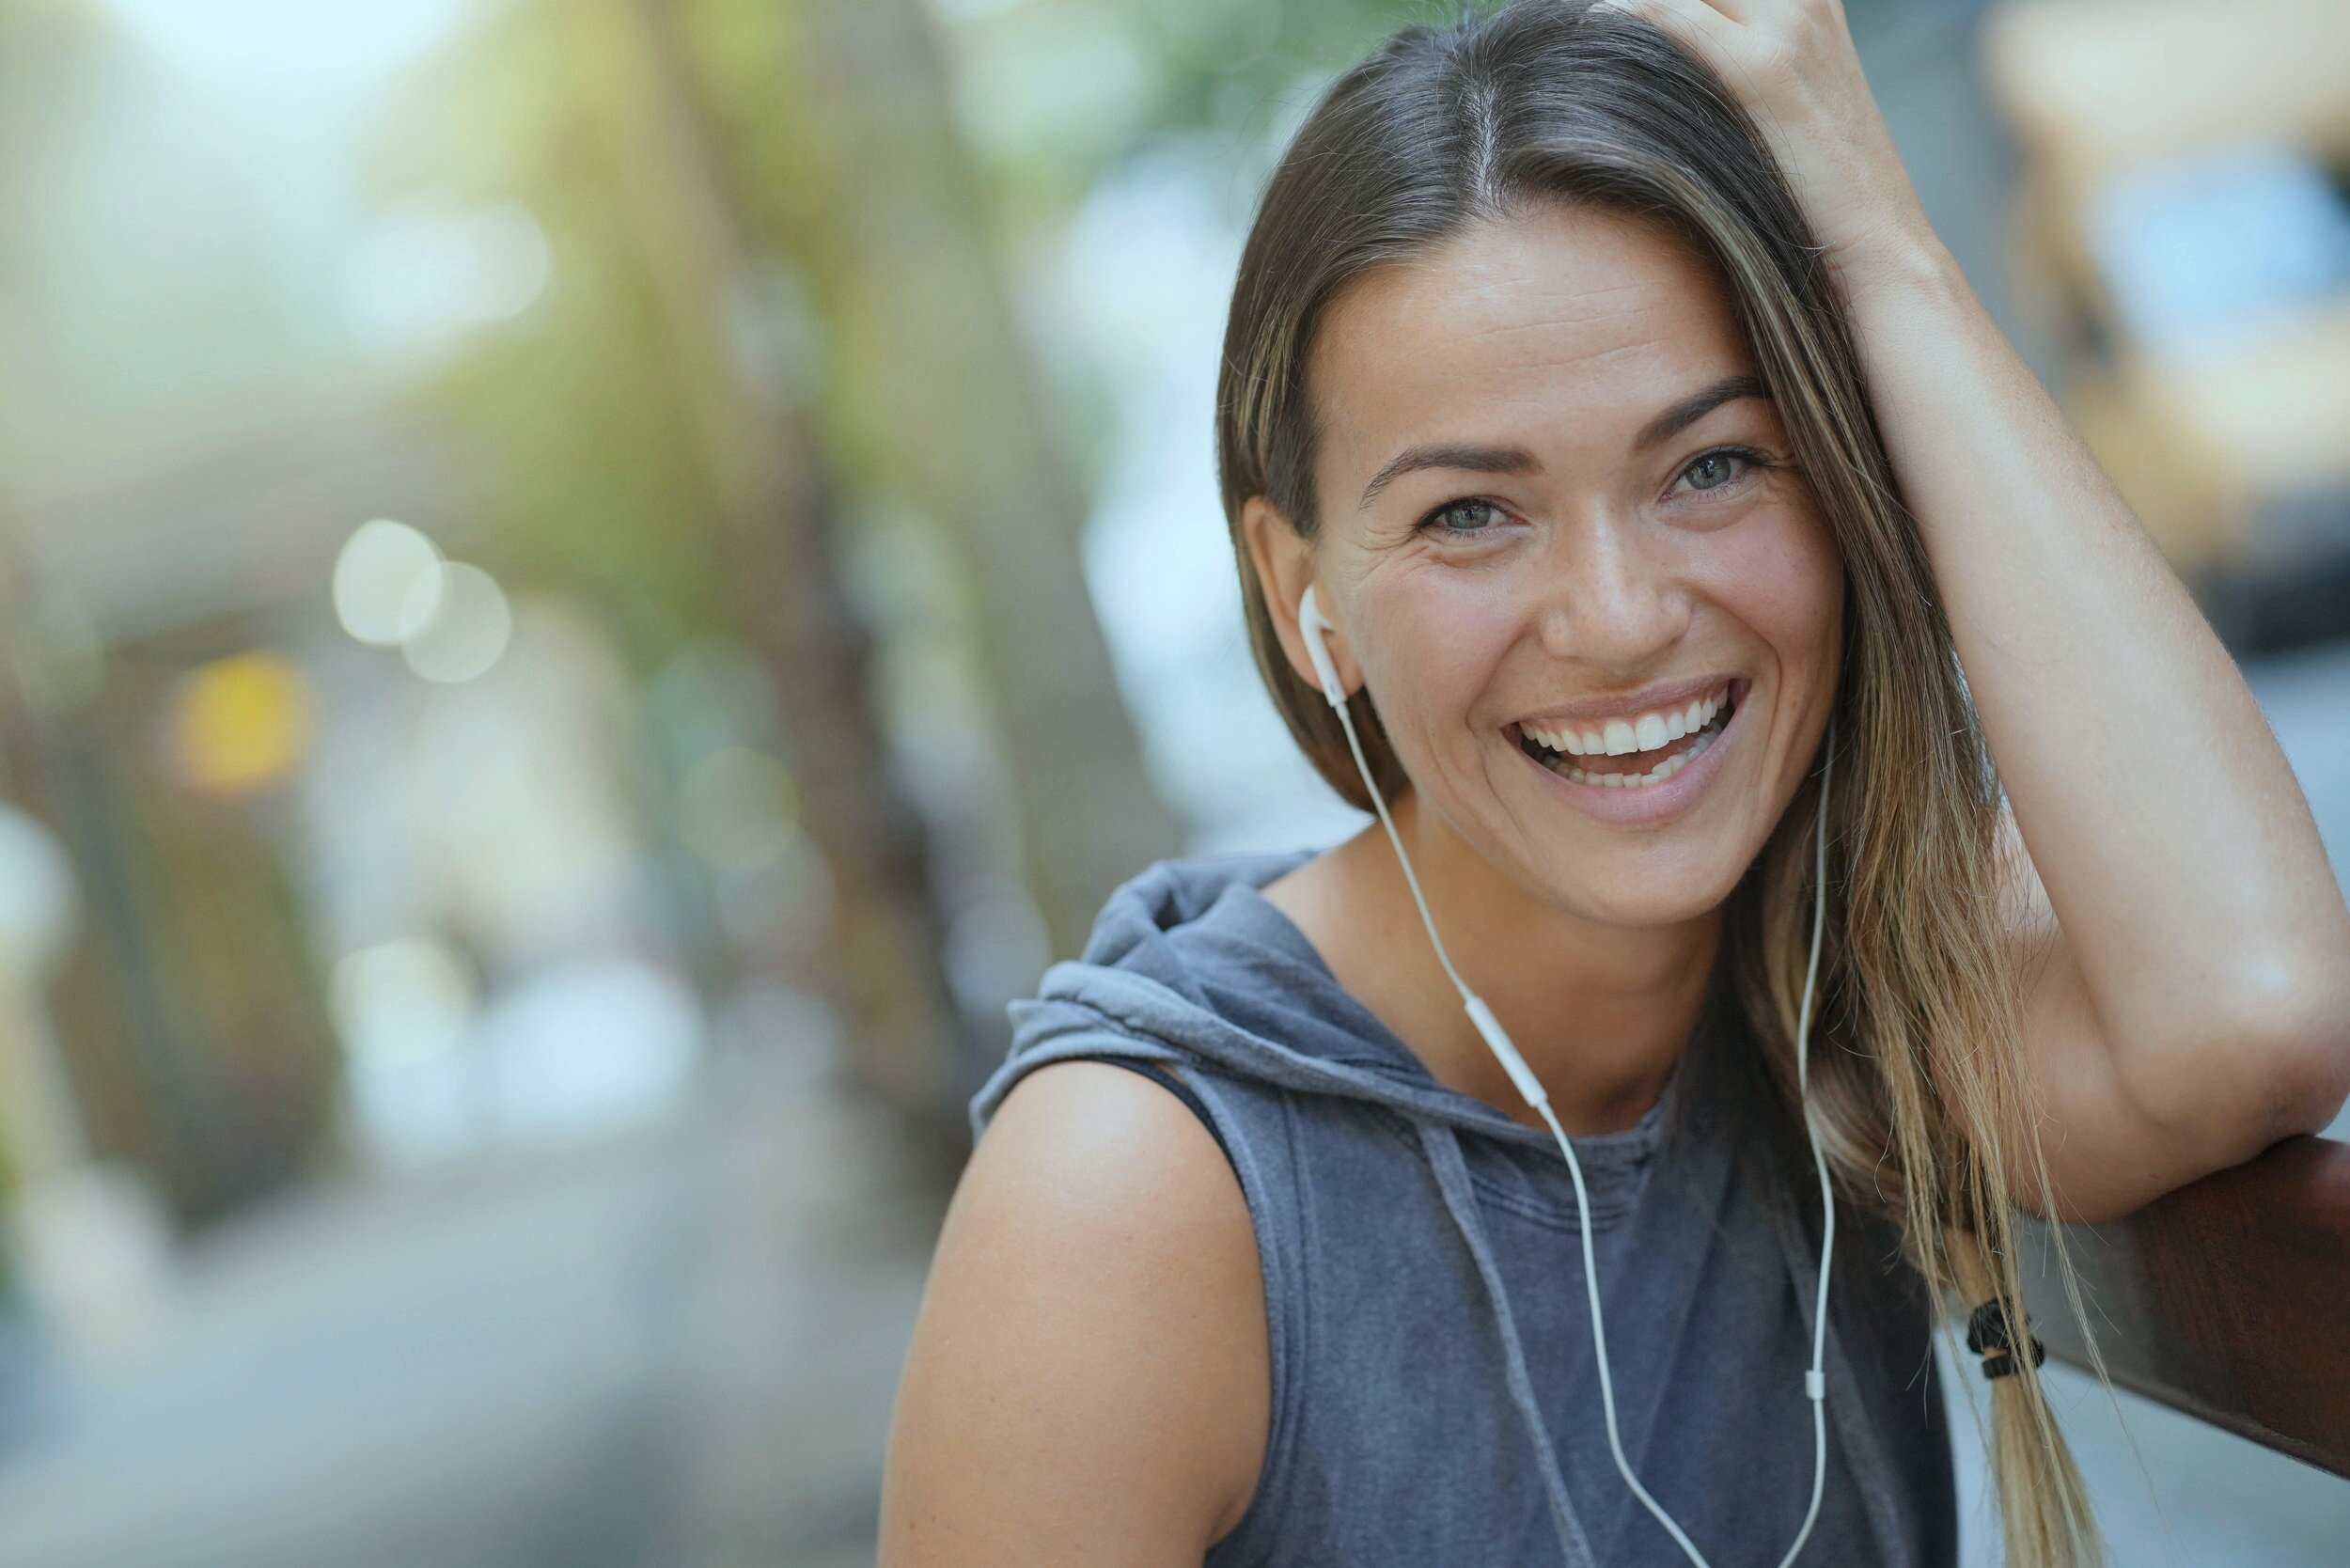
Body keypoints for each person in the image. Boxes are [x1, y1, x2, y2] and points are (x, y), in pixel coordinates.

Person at [876, 3, 2350, 1564]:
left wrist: (1881, 240)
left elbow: (2249, 1012)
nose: (1621, 616)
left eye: (1713, 465)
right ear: (1307, 597)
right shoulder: (1137, 1199)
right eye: (1469, 514)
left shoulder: (1825, 995)